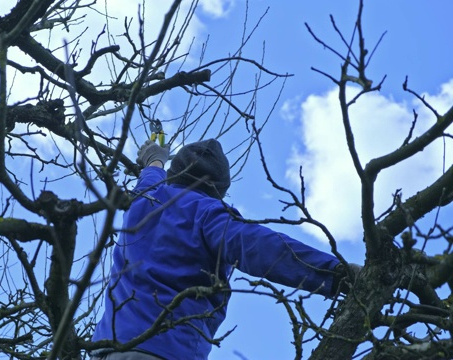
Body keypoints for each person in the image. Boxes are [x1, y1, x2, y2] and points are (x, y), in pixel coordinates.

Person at [91, 139, 355, 360]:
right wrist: (334, 273)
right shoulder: (208, 213)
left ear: (174, 174)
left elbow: (152, 173)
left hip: (107, 349)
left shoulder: (144, 197)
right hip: (167, 351)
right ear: (219, 190)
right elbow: (260, 247)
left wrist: (155, 158)